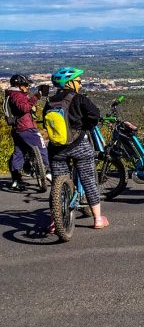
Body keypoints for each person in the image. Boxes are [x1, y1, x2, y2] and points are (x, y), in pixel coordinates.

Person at [44, 67, 107, 229]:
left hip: (57, 148)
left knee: (57, 182)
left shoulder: (50, 101)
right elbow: (95, 115)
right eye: (78, 81)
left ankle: (54, 222)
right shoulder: (79, 99)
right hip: (79, 145)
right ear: (70, 83)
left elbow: (46, 122)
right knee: (89, 180)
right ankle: (98, 219)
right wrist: (85, 126)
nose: (80, 83)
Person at [5, 74, 50, 191]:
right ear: (18, 85)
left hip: (18, 129)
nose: (27, 87)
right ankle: (48, 171)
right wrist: (37, 96)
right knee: (42, 146)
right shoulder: (16, 95)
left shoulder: (11, 94)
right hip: (26, 127)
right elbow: (24, 108)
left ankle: (16, 180)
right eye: (25, 85)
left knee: (19, 153)